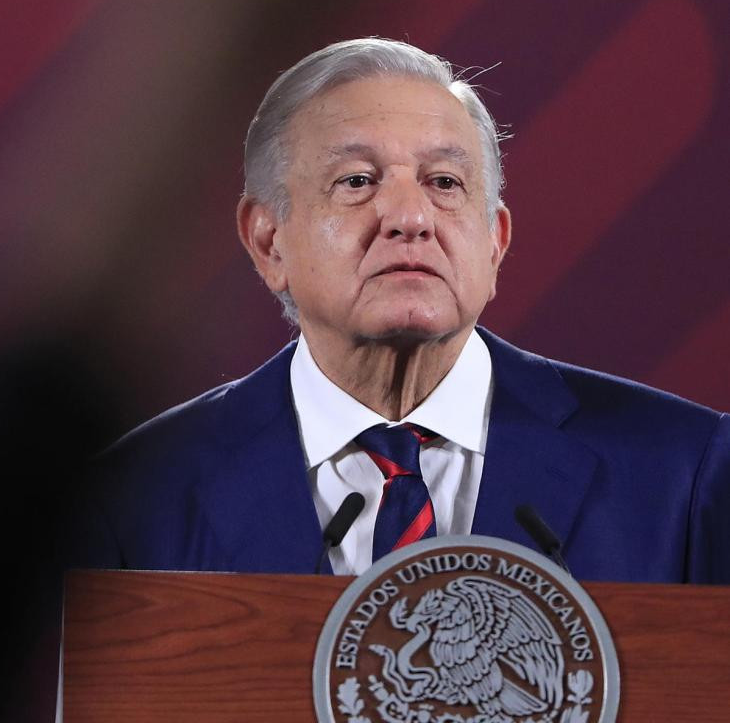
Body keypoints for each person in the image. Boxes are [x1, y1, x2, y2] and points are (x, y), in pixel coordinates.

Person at [67, 37, 730, 583]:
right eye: (357, 181)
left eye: (445, 184)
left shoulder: (685, 477)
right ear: (269, 241)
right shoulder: (135, 497)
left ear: (494, 241)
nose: (411, 217)